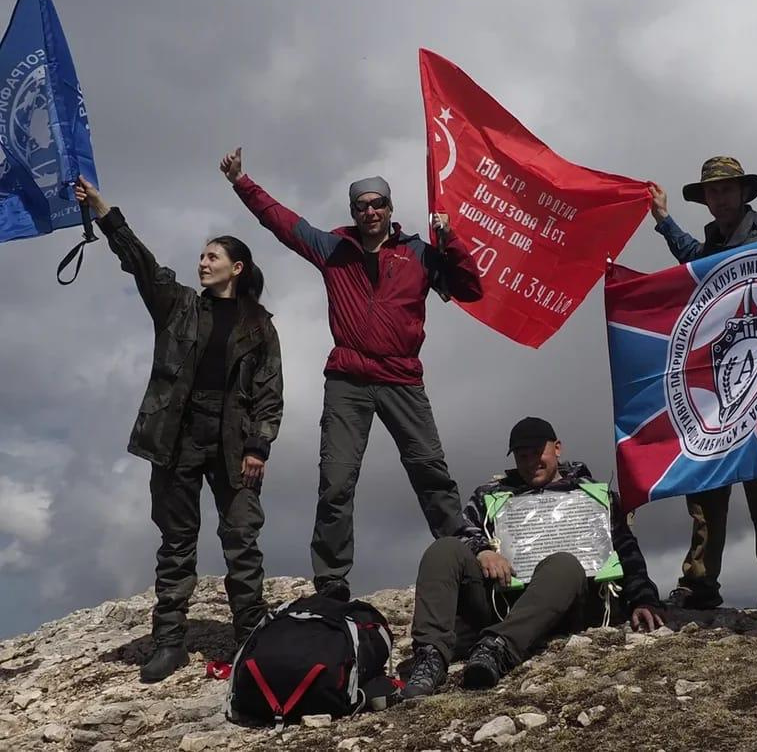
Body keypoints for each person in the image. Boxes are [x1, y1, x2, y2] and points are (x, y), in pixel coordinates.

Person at [219, 149, 482, 601]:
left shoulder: (420, 252)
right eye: (362, 206)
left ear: (390, 208)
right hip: (348, 378)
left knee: (429, 469)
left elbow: (470, 290)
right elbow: (282, 222)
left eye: (378, 203)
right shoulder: (333, 249)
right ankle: (332, 579)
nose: (371, 211)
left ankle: (462, 554)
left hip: (401, 378)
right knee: (336, 479)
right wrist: (242, 182)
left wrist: (449, 240)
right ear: (353, 212)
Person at [74, 177, 283, 684]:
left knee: (241, 537)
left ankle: (250, 638)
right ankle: (169, 641)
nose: (203, 262)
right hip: (177, 435)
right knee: (175, 541)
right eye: (202, 255)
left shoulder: (259, 325)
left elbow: (269, 393)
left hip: (234, 440)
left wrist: (258, 447)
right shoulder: (178, 304)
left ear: (238, 267)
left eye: (213, 256)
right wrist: (105, 211)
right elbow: (140, 263)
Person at [401, 417, 664, 698]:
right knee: (444, 549)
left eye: (537, 454)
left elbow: (625, 547)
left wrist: (643, 598)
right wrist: (484, 550)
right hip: (503, 600)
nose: (530, 463)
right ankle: (430, 658)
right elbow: (463, 529)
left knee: (564, 563)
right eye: (522, 456)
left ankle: (498, 647)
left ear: (557, 448)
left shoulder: (593, 496)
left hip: (570, 600)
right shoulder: (490, 495)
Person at [648, 156, 757, 612]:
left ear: (743, 193)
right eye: (711, 192)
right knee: (707, 477)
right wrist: (664, 221)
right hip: (725, 379)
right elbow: (703, 267)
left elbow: (729, 280)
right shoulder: (716, 238)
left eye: (725, 190)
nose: (718, 199)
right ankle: (700, 582)